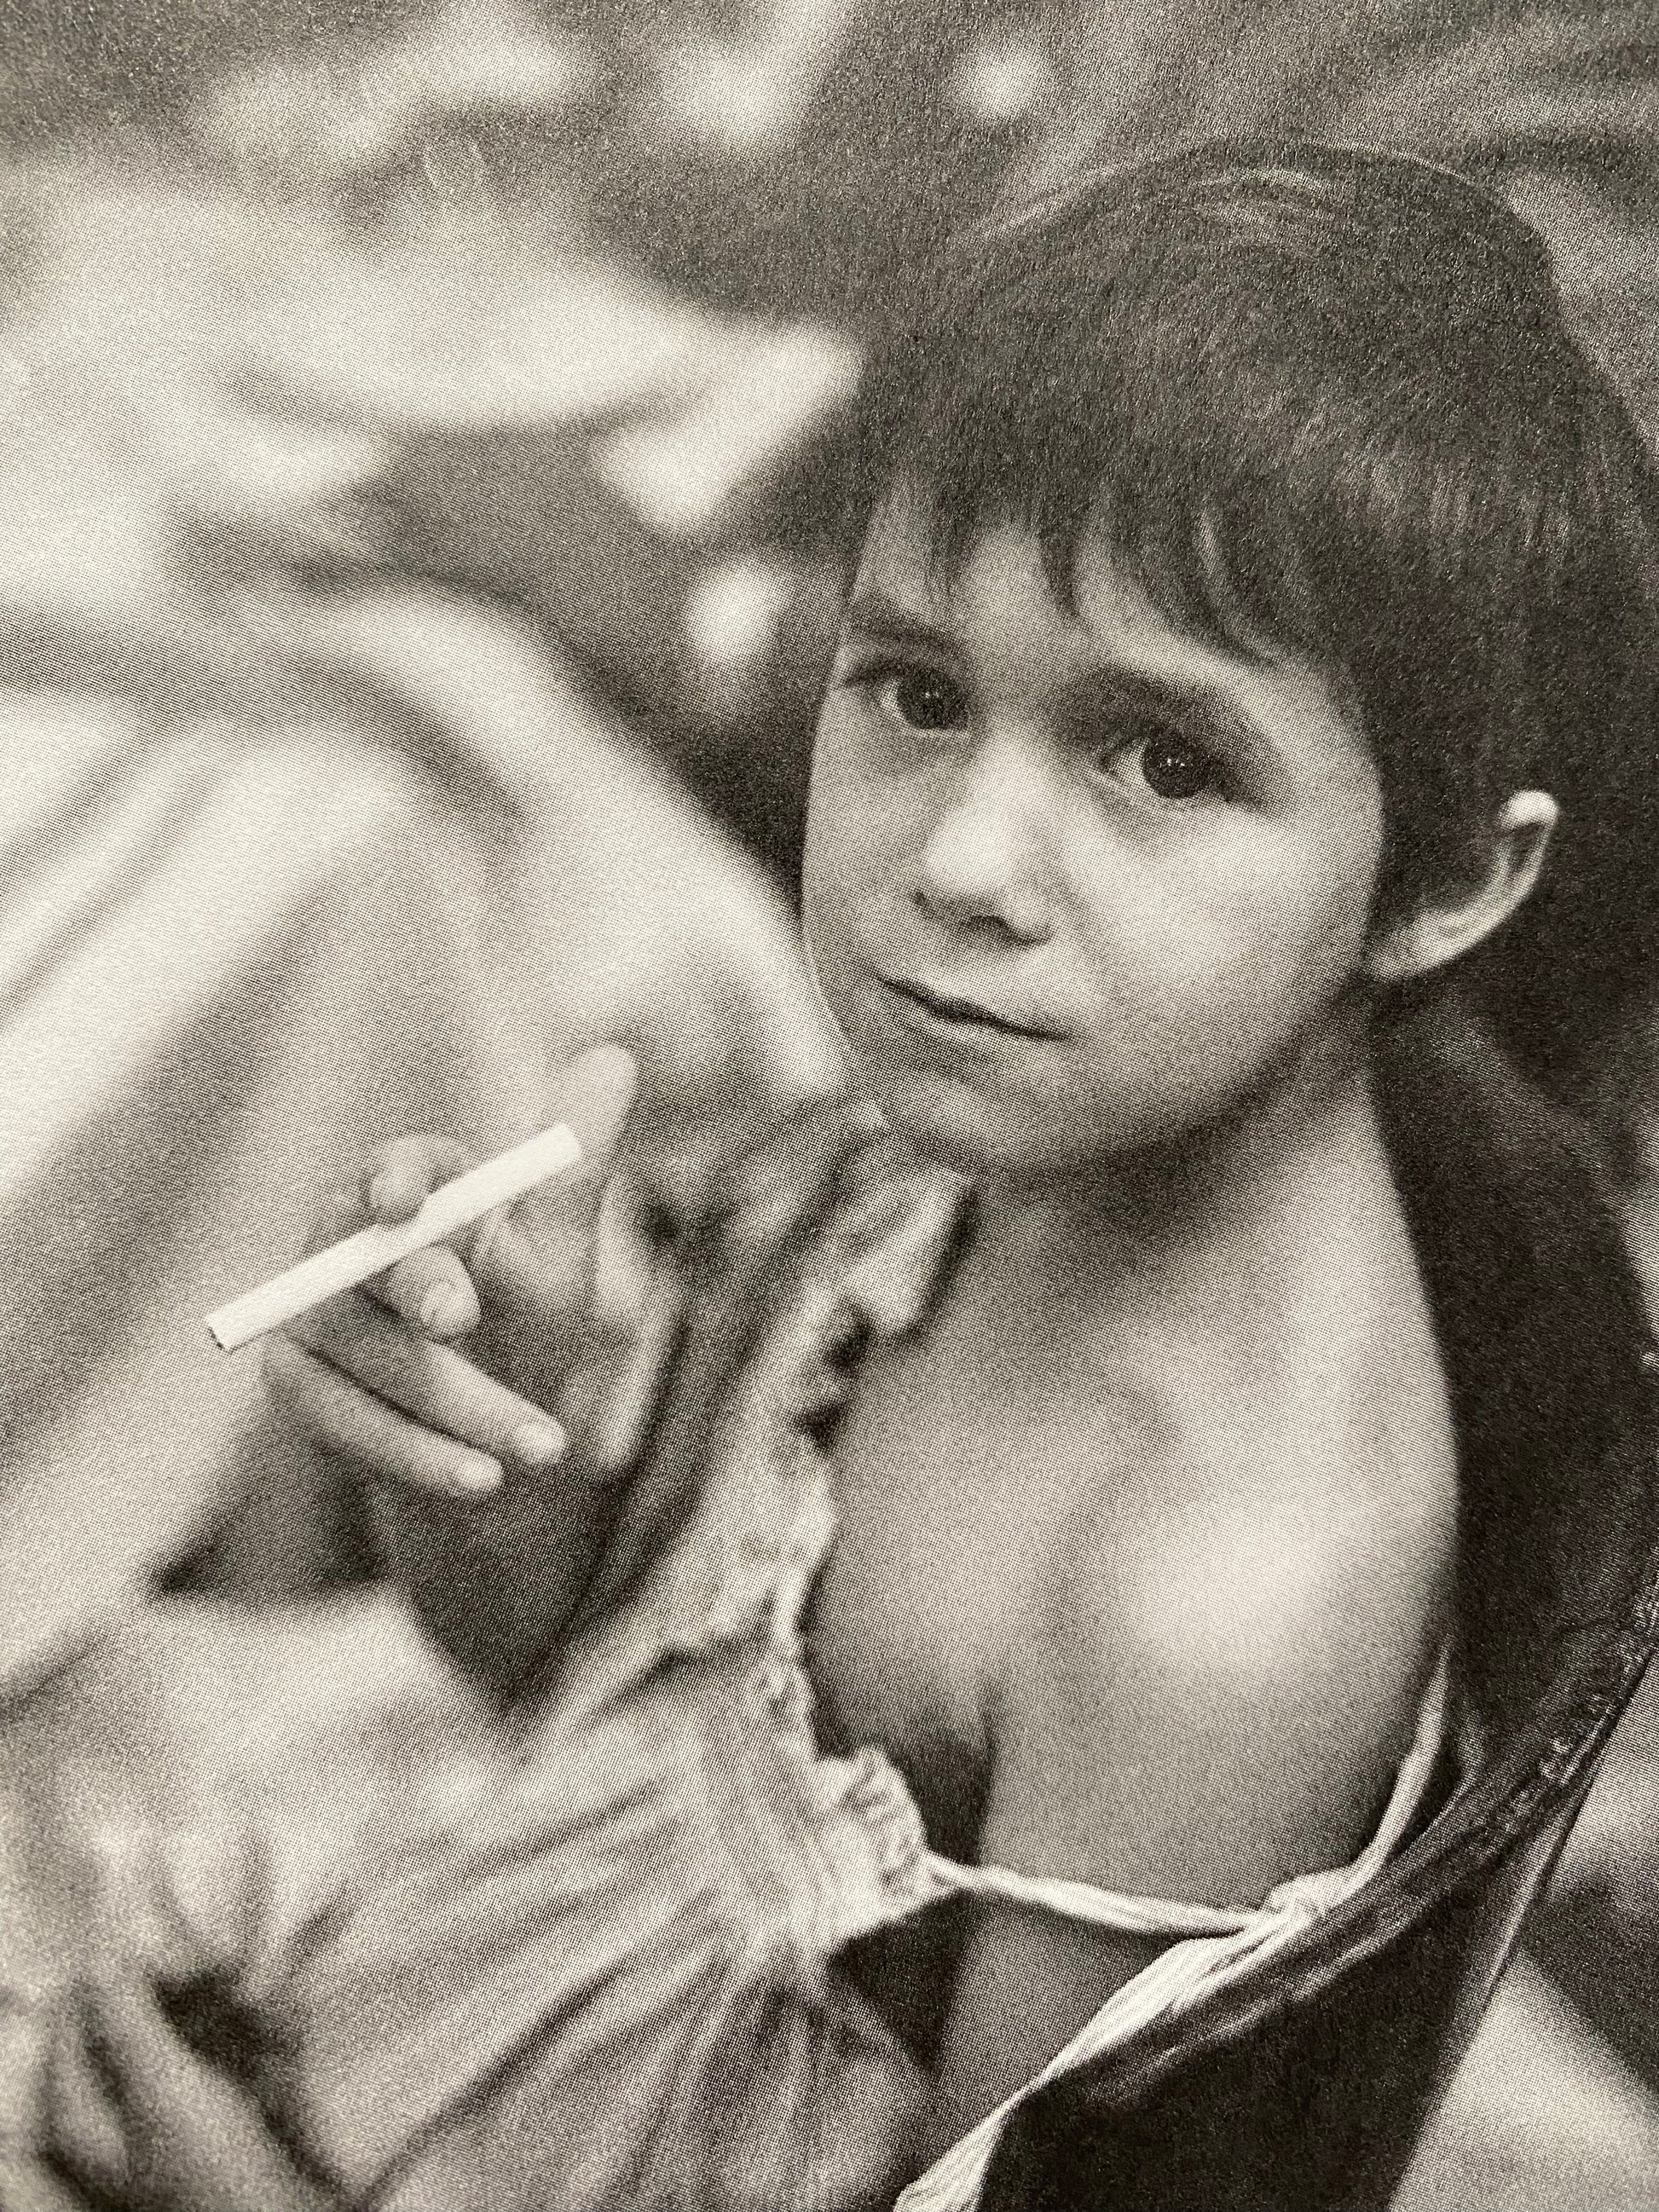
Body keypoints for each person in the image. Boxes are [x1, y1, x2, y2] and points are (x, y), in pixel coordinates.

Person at [20, 140, 1659, 2212]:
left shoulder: (1202, 1599)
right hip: (455, 1987)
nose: (955, 863)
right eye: (917, 691)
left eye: (1164, 757)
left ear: (1444, 881)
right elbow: (589, 1703)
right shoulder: (968, 1145)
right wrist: (505, 1459)